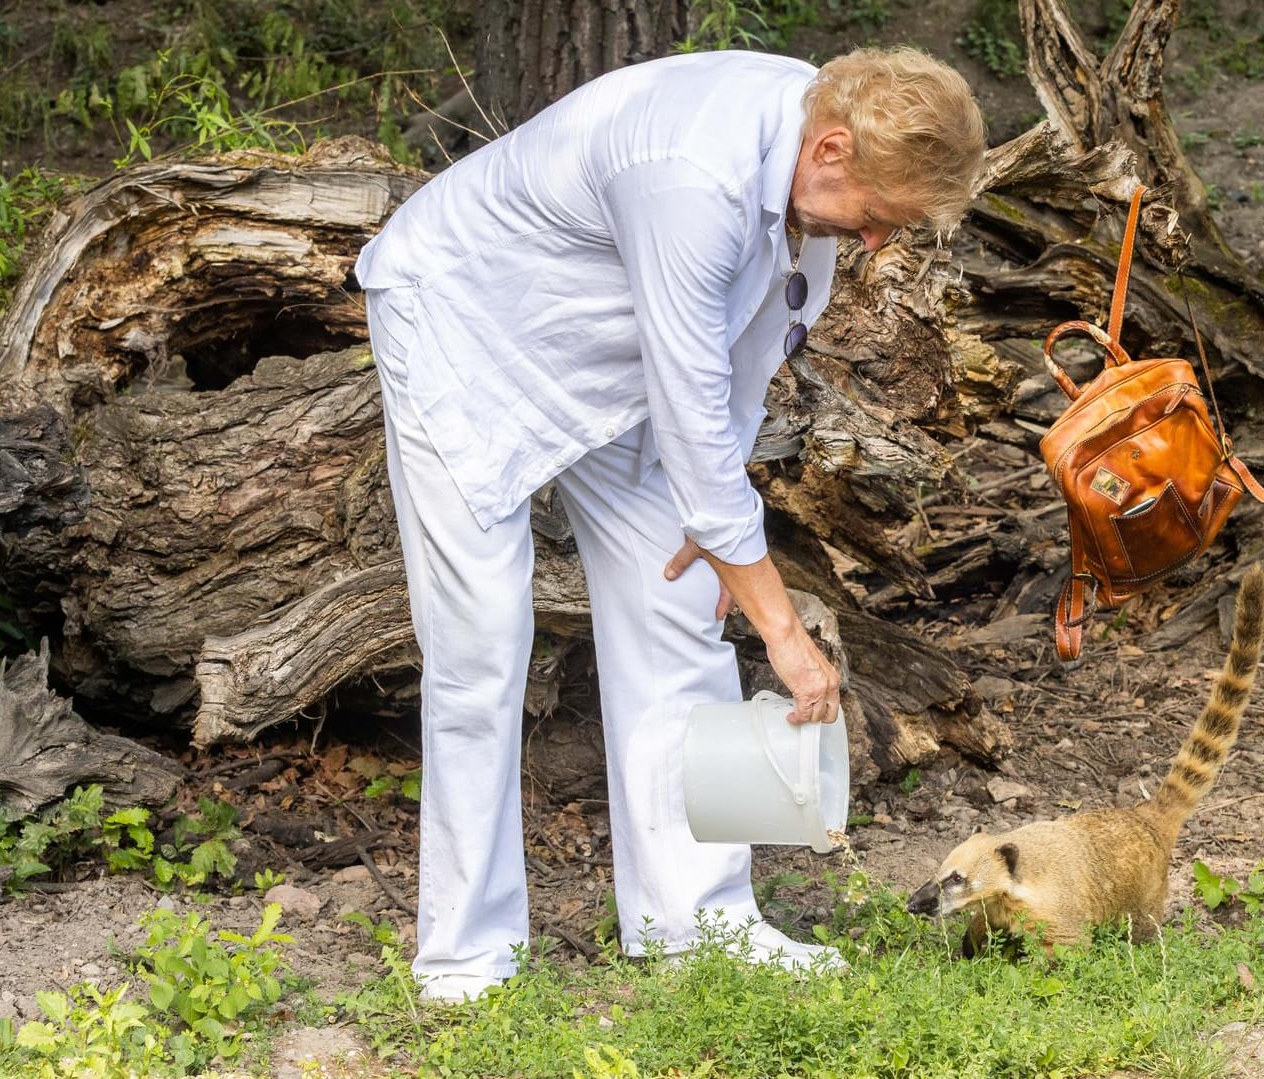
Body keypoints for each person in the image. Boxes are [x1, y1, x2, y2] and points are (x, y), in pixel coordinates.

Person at [353, 46, 985, 1001]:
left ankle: (698, 921)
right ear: (833, 148)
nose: (878, 246)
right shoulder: (693, 173)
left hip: (611, 356)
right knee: (482, 638)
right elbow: (688, 395)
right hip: (468, 325)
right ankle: (467, 954)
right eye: (880, 219)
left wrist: (715, 508)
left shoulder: (810, 157)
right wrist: (781, 630)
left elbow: (745, 357)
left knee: (681, 600)